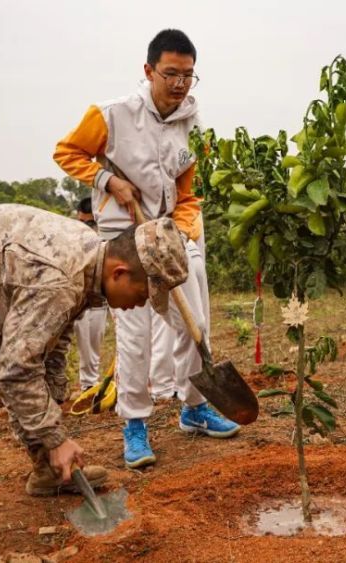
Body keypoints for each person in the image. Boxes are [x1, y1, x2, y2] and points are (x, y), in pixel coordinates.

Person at [0, 204, 188, 561]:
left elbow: (51, 341)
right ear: (120, 272)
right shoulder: (61, 277)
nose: (140, 305)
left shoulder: (90, 263)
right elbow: (16, 371)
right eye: (142, 295)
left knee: (36, 383)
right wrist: (55, 438)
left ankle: (47, 472)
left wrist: (54, 407)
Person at [53, 29, 238, 470]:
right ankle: (134, 423)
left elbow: (188, 191)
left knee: (194, 323)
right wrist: (108, 181)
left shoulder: (192, 122)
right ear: (149, 70)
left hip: (173, 232)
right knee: (135, 337)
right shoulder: (112, 115)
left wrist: (186, 228)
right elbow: (67, 151)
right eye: (171, 74)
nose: (179, 84)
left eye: (189, 76)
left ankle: (194, 409)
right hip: (123, 239)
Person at [72, 196, 109, 392]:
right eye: (82, 221)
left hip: (100, 300)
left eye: (90, 222)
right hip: (78, 299)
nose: (85, 226)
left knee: (95, 341)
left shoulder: (105, 237)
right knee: (83, 343)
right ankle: (87, 383)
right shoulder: (72, 238)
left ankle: (92, 382)